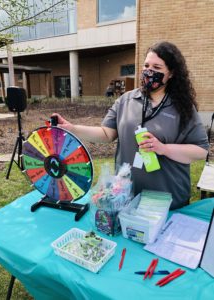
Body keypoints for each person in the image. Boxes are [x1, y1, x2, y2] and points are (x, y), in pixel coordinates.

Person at [53, 41, 209, 210]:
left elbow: (200, 150)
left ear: (171, 73)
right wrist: (72, 128)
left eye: (157, 67)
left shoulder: (182, 107)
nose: (149, 71)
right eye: (146, 65)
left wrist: (163, 148)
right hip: (127, 194)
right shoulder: (126, 100)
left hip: (168, 200)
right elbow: (106, 134)